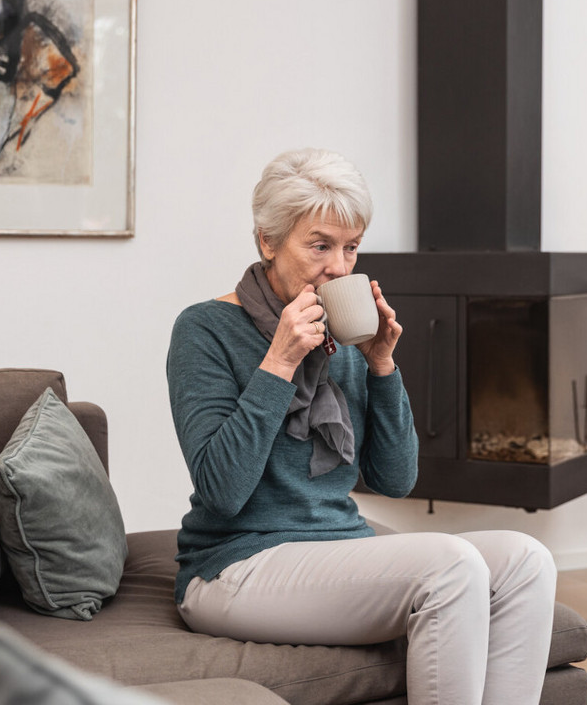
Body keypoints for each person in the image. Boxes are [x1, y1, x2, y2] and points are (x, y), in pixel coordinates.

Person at [166, 148, 557, 705]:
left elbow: (395, 480)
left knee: (526, 560)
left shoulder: (340, 338)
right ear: (267, 241)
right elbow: (223, 492)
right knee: (451, 566)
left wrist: (381, 366)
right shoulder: (204, 329)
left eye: (351, 248)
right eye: (319, 245)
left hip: (335, 545)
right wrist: (278, 362)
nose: (339, 268)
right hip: (234, 565)